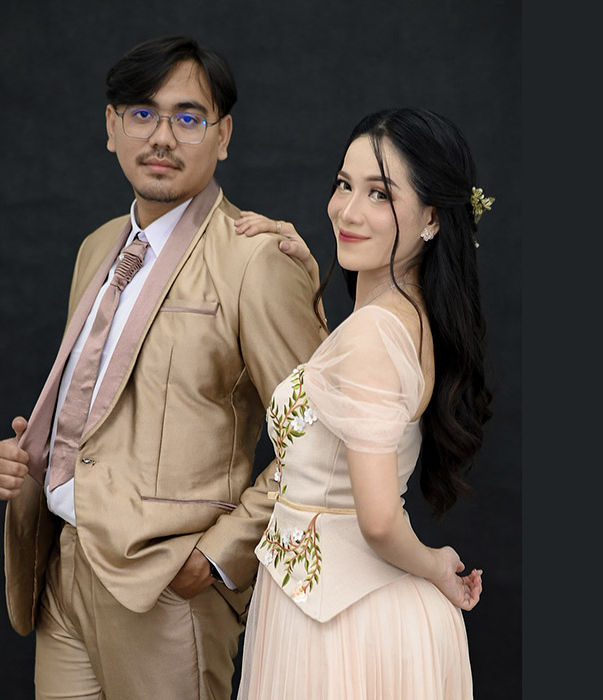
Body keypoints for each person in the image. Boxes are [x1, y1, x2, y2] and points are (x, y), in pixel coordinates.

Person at [0, 35, 325, 700]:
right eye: (142, 113)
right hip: (62, 566)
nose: (162, 136)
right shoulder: (96, 249)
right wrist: (27, 463)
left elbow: (320, 436)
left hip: (167, 590)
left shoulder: (255, 260)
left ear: (223, 136)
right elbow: (101, 413)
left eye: (188, 117)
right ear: (112, 127)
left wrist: (217, 557)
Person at [232, 107, 493, 699]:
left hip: (346, 627)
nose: (347, 211)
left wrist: (435, 564)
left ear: (432, 218)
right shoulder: (400, 319)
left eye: (379, 194)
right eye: (344, 185)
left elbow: (377, 521)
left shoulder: (375, 333)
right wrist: (306, 282)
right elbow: (337, 402)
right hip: (332, 609)